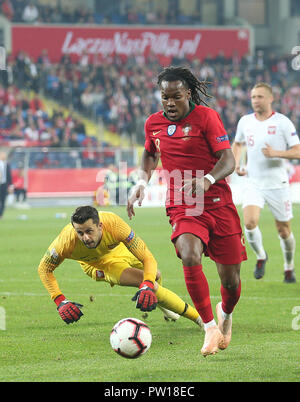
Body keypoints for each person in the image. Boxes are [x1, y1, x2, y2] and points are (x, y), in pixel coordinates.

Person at [127, 66, 247, 357]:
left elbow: (228, 160)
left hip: (218, 201)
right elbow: (150, 153)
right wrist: (141, 182)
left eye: (175, 97)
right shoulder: (153, 123)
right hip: (185, 203)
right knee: (189, 253)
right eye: (164, 97)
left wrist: (207, 180)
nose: (169, 103)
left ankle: (225, 313)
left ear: (188, 94)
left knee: (230, 282)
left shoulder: (207, 117)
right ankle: (208, 327)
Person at [38, 205, 203, 328]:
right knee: (145, 281)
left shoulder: (114, 224)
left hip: (119, 249)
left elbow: (147, 257)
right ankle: (199, 319)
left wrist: (147, 285)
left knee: (155, 275)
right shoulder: (65, 242)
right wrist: (60, 300)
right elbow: (44, 269)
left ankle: (165, 307)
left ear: (100, 226)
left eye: (89, 231)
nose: (86, 238)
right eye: (80, 233)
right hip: (98, 265)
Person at [232, 82, 300, 283]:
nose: (255, 100)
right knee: (250, 222)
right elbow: (237, 144)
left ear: (271, 99)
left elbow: (297, 151)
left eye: (260, 97)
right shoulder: (245, 122)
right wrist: (236, 164)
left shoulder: (283, 122)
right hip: (254, 183)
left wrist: (276, 153)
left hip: (278, 184)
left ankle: (289, 266)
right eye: (253, 97)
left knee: (284, 230)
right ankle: (261, 256)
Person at [0, 151, 13, 219]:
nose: (4, 156)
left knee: (3, 200)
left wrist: (10, 186)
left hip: (4, 184)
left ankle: (1, 215)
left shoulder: (6, 164)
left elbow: (9, 175)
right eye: (3, 154)